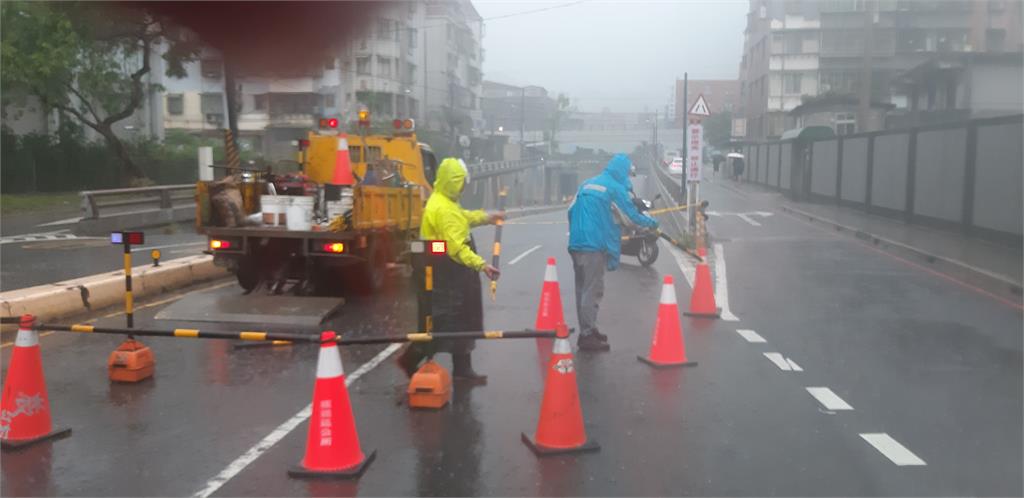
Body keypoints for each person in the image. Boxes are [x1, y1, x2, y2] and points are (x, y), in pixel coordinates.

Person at [397, 158, 502, 382]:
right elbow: (455, 248)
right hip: (445, 271)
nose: (464, 187)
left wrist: (486, 217)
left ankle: (462, 369)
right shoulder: (444, 209)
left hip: (441, 267)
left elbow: (462, 218)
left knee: (458, 319)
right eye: (463, 183)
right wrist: (482, 265)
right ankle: (411, 359)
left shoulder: (442, 200)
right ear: (455, 182)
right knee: (441, 320)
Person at [568, 153, 658, 351]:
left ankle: (589, 329)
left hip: (576, 242)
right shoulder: (614, 188)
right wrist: (651, 223)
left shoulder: (587, 184)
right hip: (593, 245)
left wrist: (578, 232)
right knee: (592, 290)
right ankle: (586, 336)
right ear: (622, 171)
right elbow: (631, 217)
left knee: (582, 288)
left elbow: (570, 210)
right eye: (628, 172)